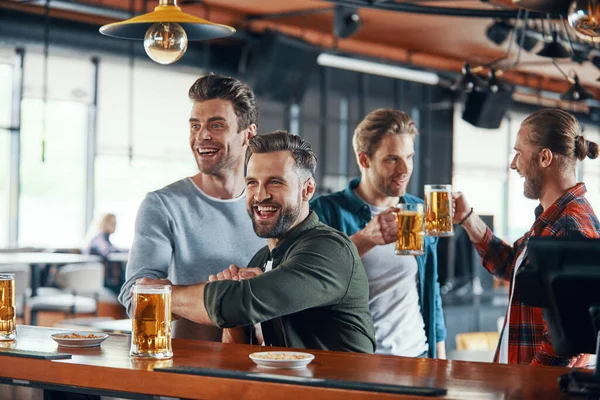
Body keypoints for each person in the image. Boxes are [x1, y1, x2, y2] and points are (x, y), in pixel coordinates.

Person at [141, 131, 376, 353]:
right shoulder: (263, 259)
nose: (260, 195)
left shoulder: (329, 250)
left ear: (308, 189)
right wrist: (235, 321)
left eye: (275, 182)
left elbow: (237, 303)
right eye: (252, 182)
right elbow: (236, 354)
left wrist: (162, 294)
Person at [118, 74, 265, 341]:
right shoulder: (163, 205)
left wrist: (174, 295)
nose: (202, 136)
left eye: (216, 125)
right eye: (195, 126)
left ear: (248, 134)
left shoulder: (270, 206)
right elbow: (135, 299)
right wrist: (223, 295)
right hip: (186, 369)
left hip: (265, 366)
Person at [453, 108, 600, 366]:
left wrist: (528, 383)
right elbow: (512, 266)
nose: (513, 164)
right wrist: (468, 219)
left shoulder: (570, 225)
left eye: (518, 153)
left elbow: (566, 340)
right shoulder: (550, 219)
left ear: (544, 157)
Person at [310, 108, 446, 358]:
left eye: (410, 156)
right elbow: (310, 280)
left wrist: (440, 358)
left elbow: (430, 288)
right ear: (364, 160)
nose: (405, 168)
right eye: (392, 159)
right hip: (358, 362)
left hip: (417, 357)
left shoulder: (416, 209)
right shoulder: (326, 212)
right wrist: (363, 240)